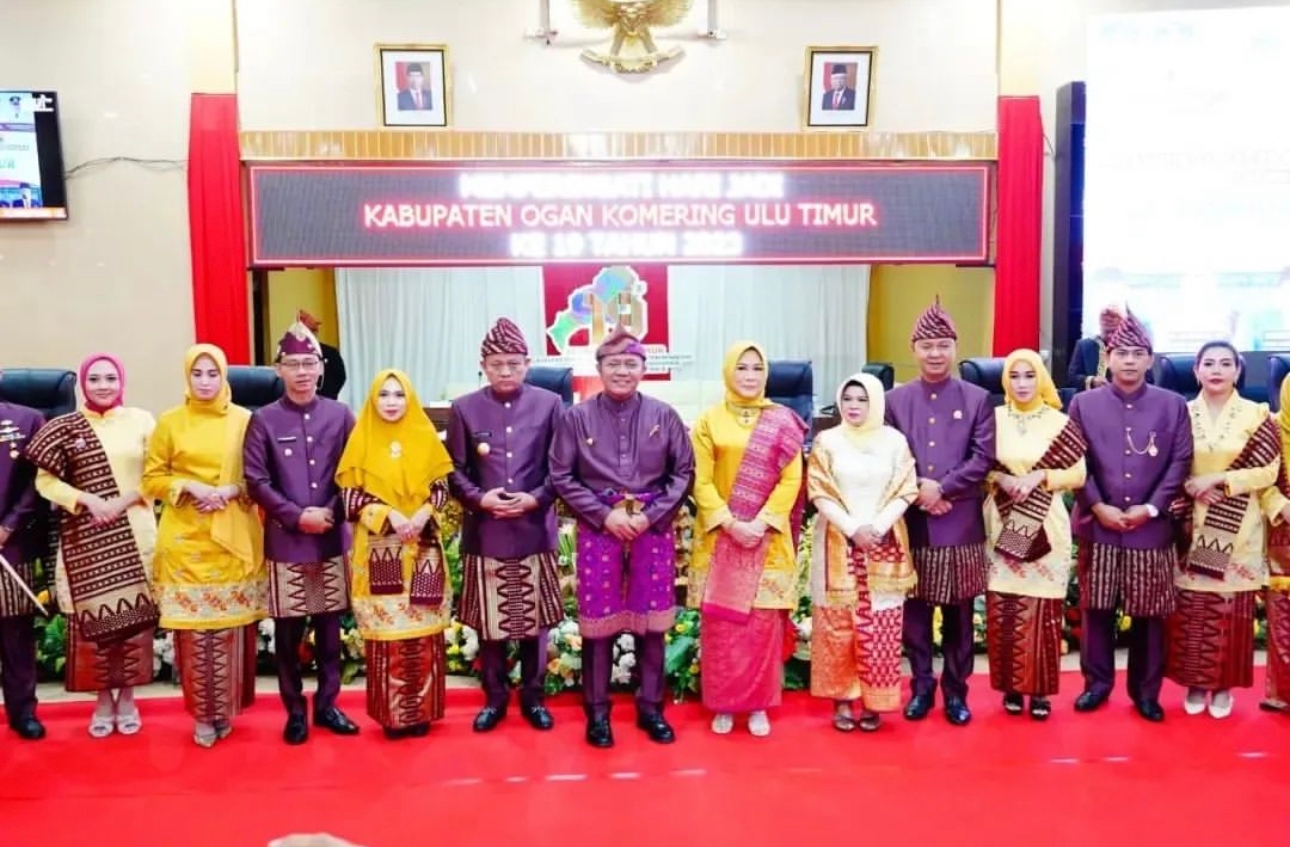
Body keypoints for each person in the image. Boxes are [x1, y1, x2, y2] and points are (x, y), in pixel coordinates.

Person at [549, 327, 695, 748]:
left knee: (652, 624)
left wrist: (650, 516)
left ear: (644, 369)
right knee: (598, 626)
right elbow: (561, 474)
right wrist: (603, 515)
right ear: (599, 368)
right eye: (613, 364)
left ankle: (651, 708)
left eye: (631, 363)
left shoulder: (664, 415)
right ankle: (598, 713)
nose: (622, 371)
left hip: (652, 529)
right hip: (599, 530)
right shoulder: (576, 418)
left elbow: (683, 472)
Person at [24, 354, 159, 738]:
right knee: (91, 622)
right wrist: (87, 500)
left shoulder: (142, 420)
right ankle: (101, 699)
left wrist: (121, 501)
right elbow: (45, 482)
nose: (103, 386)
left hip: (134, 531)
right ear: (83, 383)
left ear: (122, 382)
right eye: (94, 379)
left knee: (131, 619)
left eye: (110, 378)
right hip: (84, 534)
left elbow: (159, 472)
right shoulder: (65, 427)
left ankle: (128, 698)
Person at [1067, 310, 1192, 722]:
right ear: (1107, 357)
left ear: (1150, 359)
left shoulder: (1173, 405)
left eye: (1138, 354)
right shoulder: (1083, 404)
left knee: (1149, 616)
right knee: (1097, 610)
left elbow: (1180, 462)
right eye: (1121, 353)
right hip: (1099, 525)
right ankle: (1096, 685)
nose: (1130, 361)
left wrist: (1151, 507)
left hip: (1150, 528)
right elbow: (1075, 460)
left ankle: (1146, 692)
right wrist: (1097, 505)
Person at [142, 344, 267, 747]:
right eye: (197, 373)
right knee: (195, 636)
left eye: (213, 373)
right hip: (186, 540)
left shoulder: (245, 420)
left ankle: (224, 708)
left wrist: (231, 490)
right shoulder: (170, 422)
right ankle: (201, 715)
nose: (205, 381)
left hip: (233, 539)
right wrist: (188, 486)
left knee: (230, 633)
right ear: (187, 377)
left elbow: (260, 476)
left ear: (224, 376)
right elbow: (151, 479)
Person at [244, 319, 359, 744]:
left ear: (321, 368)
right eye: (293, 364)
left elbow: (354, 472)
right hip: (287, 542)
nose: (303, 372)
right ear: (278, 369)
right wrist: (296, 517)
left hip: (330, 538)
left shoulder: (341, 416)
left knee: (329, 633)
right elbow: (256, 480)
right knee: (289, 634)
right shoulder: (263, 420)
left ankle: (328, 705)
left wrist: (330, 512)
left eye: (310, 363)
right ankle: (294, 710)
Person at [446, 317, 564, 733]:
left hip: (534, 528)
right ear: (483, 365)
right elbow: (453, 469)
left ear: (528, 364)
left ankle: (533, 697)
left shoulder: (550, 404)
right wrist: (480, 499)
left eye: (514, 363)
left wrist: (536, 498)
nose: (506, 371)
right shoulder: (464, 408)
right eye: (497, 364)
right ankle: (494, 698)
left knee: (535, 623)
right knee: (490, 624)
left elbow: (561, 467)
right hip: (487, 531)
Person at [884, 297, 994, 726]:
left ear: (955, 348)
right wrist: (920, 492)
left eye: (943, 345)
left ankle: (956, 693)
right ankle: (921, 688)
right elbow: (889, 457)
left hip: (960, 524)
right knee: (915, 615)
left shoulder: (978, 398)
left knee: (959, 616)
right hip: (912, 523)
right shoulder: (894, 401)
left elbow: (982, 458)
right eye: (927, 345)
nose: (935, 353)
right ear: (913, 349)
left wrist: (943, 489)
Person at [689, 341, 807, 737]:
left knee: (761, 630)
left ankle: (758, 704)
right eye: (742, 367)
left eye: (757, 368)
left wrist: (762, 522)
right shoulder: (709, 421)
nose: (750, 376)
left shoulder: (782, 420)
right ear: (728, 371)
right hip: (721, 541)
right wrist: (729, 522)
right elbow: (700, 481)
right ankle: (724, 704)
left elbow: (792, 478)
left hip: (767, 540)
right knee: (724, 630)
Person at [336, 369, 455, 740]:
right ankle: (393, 715)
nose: (391, 402)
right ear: (373, 400)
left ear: (410, 399)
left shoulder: (426, 437)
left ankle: (422, 712)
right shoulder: (361, 438)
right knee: (387, 637)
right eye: (384, 395)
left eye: (399, 395)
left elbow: (441, 489)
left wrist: (422, 514)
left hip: (421, 546)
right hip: (378, 548)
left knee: (423, 634)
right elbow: (350, 497)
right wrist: (390, 515)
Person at [1165, 341, 1280, 719]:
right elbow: (1167, 465)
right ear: (1196, 370)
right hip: (1193, 521)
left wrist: (1221, 480)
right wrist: (1190, 485)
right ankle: (1196, 682)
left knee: (1231, 610)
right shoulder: (1181, 413)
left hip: (1237, 521)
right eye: (1209, 363)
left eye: (1226, 363)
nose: (1217, 370)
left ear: (1238, 370)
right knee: (1195, 609)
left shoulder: (1257, 414)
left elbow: (1268, 471)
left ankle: (1223, 687)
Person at [807, 372, 917, 733]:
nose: (853, 406)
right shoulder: (827, 440)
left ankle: (875, 701)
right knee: (838, 626)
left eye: (862, 399)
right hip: (837, 541)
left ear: (876, 402)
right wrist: (853, 529)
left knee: (881, 624)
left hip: (884, 542)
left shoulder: (894, 441)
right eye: (848, 399)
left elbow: (906, 489)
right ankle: (842, 700)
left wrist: (877, 529)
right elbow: (819, 490)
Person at [984, 349, 1086, 721]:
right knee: (1006, 608)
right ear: (1005, 380)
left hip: (1047, 524)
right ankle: (1011, 686)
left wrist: (1040, 476)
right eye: (1014, 376)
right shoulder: (992, 419)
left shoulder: (1060, 422)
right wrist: (1001, 478)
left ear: (1041, 378)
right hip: (1002, 520)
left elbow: (1078, 474)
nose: (1022, 383)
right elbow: (978, 467)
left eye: (1029, 375)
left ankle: (1040, 689)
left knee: (1043, 610)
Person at [0, 376, 48, 740]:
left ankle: (23, 711)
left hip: (11, 541)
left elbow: (40, 481)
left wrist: (9, 526)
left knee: (15, 632)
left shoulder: (27, 420)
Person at [1263, 376, 1290, 713]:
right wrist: (1281, 505)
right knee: (1284, 618)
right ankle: (1284, 692)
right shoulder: (1270, 429)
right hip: (1284, 528)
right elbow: (1259, 478)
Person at [1067, 305, 1123, 391]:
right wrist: (1092, 380)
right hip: (1090, 396)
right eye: (1107, 331)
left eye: (1113, 331)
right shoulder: (1084, 345)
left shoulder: (1130, 349)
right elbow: (1071, 378)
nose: (1110, 335)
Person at [297, 309, 347, 401]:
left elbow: (340, 377)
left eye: (313, 330)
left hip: (326, 401)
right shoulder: (291, 354)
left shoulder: (330, 352)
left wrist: (328, 396)